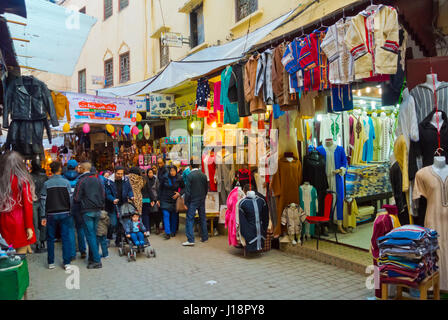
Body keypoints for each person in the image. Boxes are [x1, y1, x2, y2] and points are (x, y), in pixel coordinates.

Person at [0, 152, 36, 254]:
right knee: (21, 254)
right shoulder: (23, 181)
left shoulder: (2, 181)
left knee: (8, 252)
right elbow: (28, 205)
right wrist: (29, 226)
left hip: (4, 221)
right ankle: (20, 269)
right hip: (20, 222)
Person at [40, 161, 73, 270]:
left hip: (51, 214)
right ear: (59, 169)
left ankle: (51, 262)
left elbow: (43, 201)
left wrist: (43, 216)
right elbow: (70, 199)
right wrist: (70, 211)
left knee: (50, 238)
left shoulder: (47, 184)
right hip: (64, 213)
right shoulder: (66, 183)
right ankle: (66, 262)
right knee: (65, 237)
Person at [73, 161, 105, 269]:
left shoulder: (81, 180)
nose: (78, 169)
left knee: (90, 235)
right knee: (93, 235)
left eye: (79, 167)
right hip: (97, 210)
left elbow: (76, 197)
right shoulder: (98, 180)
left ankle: (96, 260)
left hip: (87, 210)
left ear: (82, 169)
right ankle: (92, 258)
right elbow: (103, 194)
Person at [104, 166, 134, 246]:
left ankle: (118, 240)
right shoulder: (109, 181)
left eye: (121, 173)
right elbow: (107, 193)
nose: (120, 175)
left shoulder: (126, 180)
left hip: (123, 204)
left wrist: (131, 196)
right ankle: (108, 237)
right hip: (112, 205)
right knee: (113, 223)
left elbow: (129, 190)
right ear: (115, 172)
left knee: (122, 223)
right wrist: (112, 199)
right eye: (118, 174)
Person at [63, 160, 86, 260]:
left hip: (67, 207)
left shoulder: (63, 178)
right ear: (76, 167)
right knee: (80, 229)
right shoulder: (80, 178)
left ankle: (72, 254)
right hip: (79, 207)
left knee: (70, 230)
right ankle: (83, 250)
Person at [183, 162, 209, 246]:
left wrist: (186, 203)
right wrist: (203, 197)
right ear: (198, 166)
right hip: (201, 199)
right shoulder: (203, 175)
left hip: (193, 200)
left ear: (190, 166)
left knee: (190, 219)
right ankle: (204, 237)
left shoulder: (189, 176)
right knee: (202, 218)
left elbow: (187, 191)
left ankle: (190, 239)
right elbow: (206, 189)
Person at [158, 165, 184, 240]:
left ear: (176, 171)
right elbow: (160, 188)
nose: (172, 172)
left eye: (174, 171)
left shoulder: (179, 178)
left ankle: (173, 231)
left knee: (174, 216)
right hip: (165, 199)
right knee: (166, 215)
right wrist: (158, 199)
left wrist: (179, 193)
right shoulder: (164, 177)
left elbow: (184, 188)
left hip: (174, 200)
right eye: (171, 171)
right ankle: (167, 233)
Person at [30, 159, 48, 253]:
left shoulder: (29, 177)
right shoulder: (44, 177)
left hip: (33, 201)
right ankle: (41, 242)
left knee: (35, 223)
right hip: (42, 201)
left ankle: (38, 243)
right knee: (42, 222)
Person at [141, 168, 160, 234]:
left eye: (151, 173)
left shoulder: (155, 180)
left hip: (151, 199)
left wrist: (156, 199)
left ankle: (152, 228)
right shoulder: (146, 180)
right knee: (148, 214)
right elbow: (149, 190)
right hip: (148, 199)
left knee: (154, 213)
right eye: (149, 173)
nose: (150, 174)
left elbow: (157, 190)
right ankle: (148, 228)